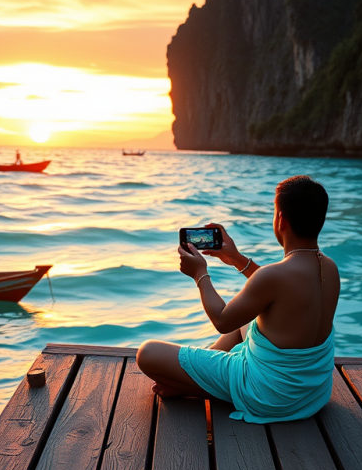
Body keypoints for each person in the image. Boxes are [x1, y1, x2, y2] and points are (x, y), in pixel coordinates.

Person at [136, 175, 340, 423]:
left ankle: (195, 386)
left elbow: (222, 321)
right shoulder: (329, 267)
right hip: (311, 394)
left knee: (147, 353)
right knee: (248, 320)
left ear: (280, 219)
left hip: (269, 395)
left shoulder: (272, 276)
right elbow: (279, 290)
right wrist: (234, 257)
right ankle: (195, 377)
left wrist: (200, 274)